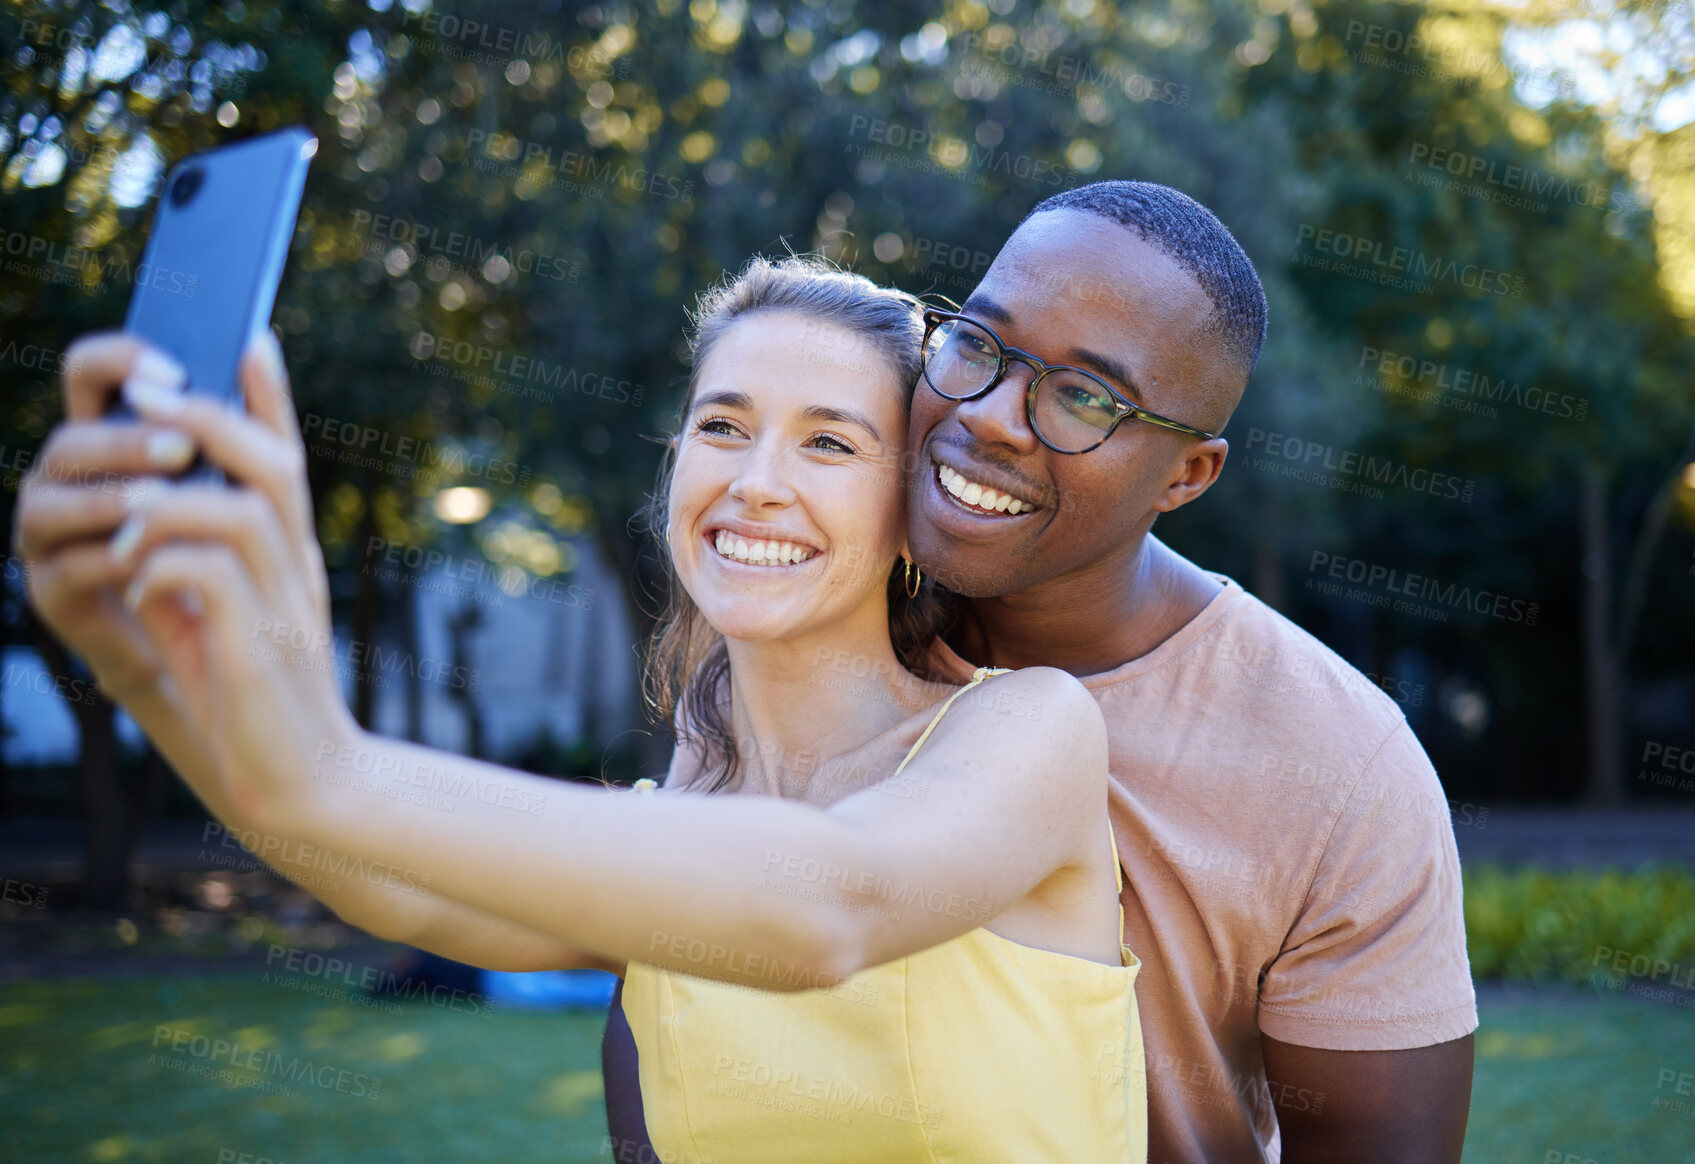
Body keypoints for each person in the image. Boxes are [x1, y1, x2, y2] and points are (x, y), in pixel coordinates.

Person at [17, 256, 1150, 1159]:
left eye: (827, 442)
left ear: (908, 506)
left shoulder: (1029, 732)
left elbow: (831, 907)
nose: (756, 478)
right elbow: (388, 880)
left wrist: (327, 760)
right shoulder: (676, 820)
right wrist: (155, 679)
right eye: (721, 425)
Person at [602, 181, 1478, 1163]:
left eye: (1085, 397)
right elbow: (661, 999)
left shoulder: (1339, 765)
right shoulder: (807, 624)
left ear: (1184, 477)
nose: (995, 418)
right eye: (978, 343)